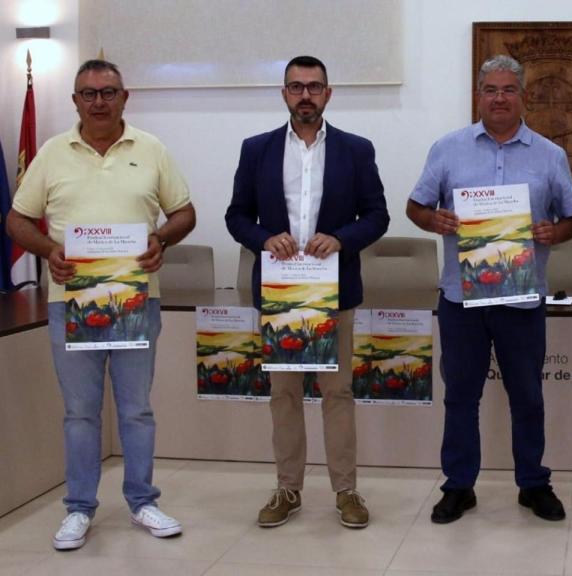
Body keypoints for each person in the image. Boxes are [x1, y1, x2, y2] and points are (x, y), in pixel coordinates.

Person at [6, 59, 196, 550]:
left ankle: (142, 502)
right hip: (70, 304)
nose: (99, 102)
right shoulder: (51, 153)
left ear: (125, 97)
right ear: (75, 101)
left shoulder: (151, 149)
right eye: (88, 94)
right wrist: (48, 250)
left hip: (136, 302)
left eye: (108, 92)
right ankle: (79, 509)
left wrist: (161, 240)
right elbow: (16, 220)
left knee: (136, 411)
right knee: (79, 413)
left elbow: (185, 213)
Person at [407, 54, 572, 524]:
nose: (500, 97)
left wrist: (555, 232)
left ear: (522, 96)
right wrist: (434, 218)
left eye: (509, 89)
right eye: (491, 89)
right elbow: (415, 206)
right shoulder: (447, 148)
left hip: (522, 299)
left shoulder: (550, 154)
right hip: (461, 299)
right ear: (478, 95)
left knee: (527, 396)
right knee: (461, 397)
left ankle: (533, 484)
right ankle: (459, 487)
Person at [225, 55, 389, 529]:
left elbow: (377, 215)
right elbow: (237, 215)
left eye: (314, 87)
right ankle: (287, 488)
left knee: (337, 393)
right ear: (283, 94)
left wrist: (341, 238)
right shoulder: (256, 149)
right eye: (296, 87)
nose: (305, 95)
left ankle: (346, 490)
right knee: (285, 396)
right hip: (279, 293)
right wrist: (262, 239)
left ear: (328, 94)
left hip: (333, 290)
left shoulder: (356, 150)